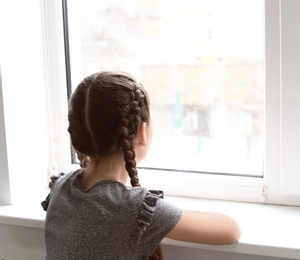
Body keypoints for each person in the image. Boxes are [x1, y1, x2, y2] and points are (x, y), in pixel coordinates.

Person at [41, 71, 240, 260]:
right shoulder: (132, 208)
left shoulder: (60, 187)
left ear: (76, 136)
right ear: (141, 132)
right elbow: (231, 230)